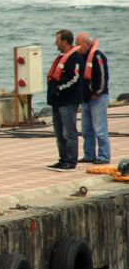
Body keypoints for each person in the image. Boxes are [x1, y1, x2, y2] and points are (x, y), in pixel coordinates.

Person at [46, 29, 84, 172]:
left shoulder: (75, 58)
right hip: (57, 102)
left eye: (57, 40)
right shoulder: (62, 56)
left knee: (69, 133)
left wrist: (59, 88)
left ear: (65, 41)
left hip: (67, 101)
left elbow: (74, 78)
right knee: (59, 133)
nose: (55, 42)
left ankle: (71, 161)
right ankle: (62, 159)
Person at [75, 33, 110, 164]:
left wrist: (98, 92)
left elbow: (103, 76)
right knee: (86, 129)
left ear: (87, 44)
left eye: (79, 44)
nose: (77, 47)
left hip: (98, 98)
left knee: (100, 129)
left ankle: (104, 156)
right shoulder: (80, 57)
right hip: (85, 98)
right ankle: (89, 154)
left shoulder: (97, 56)